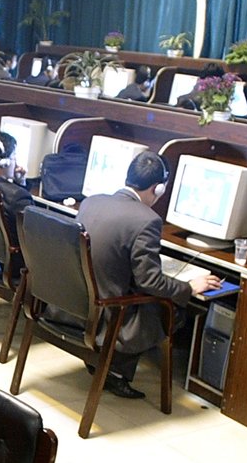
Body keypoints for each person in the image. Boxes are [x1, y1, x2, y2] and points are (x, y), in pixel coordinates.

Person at [65, 152, 222, 398]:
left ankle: (106, 362)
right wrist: (189, 287)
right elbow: (150, 281)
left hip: (76, 306)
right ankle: (116, 371)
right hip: (109, 314)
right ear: (158, 189)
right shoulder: (147, 220)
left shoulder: (91, 202)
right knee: (174, 308)